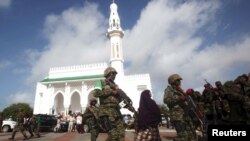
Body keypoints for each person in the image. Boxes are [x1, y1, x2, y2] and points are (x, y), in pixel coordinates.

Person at [94, 67, 128, 141]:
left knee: (121, 135)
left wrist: (126, 104)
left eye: (115, 74)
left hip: (117, 112)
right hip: (106, 112)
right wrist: (111, 91)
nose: (114, 76)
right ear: (108, 74)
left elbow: (119, 101)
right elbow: (96, 93)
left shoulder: (116, 87)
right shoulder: (100, 82)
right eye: (113, 74)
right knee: (113, 135)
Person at [164, 74, 197, 141]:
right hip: (177, 115)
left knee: (192, 133)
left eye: (179, 80)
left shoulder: (180, 90)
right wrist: (179, 98)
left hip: (185, 114)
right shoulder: (169, 90)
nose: (179, 82)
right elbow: (166, 100)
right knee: (183, 136)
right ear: (172, 81)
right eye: (178, 80)